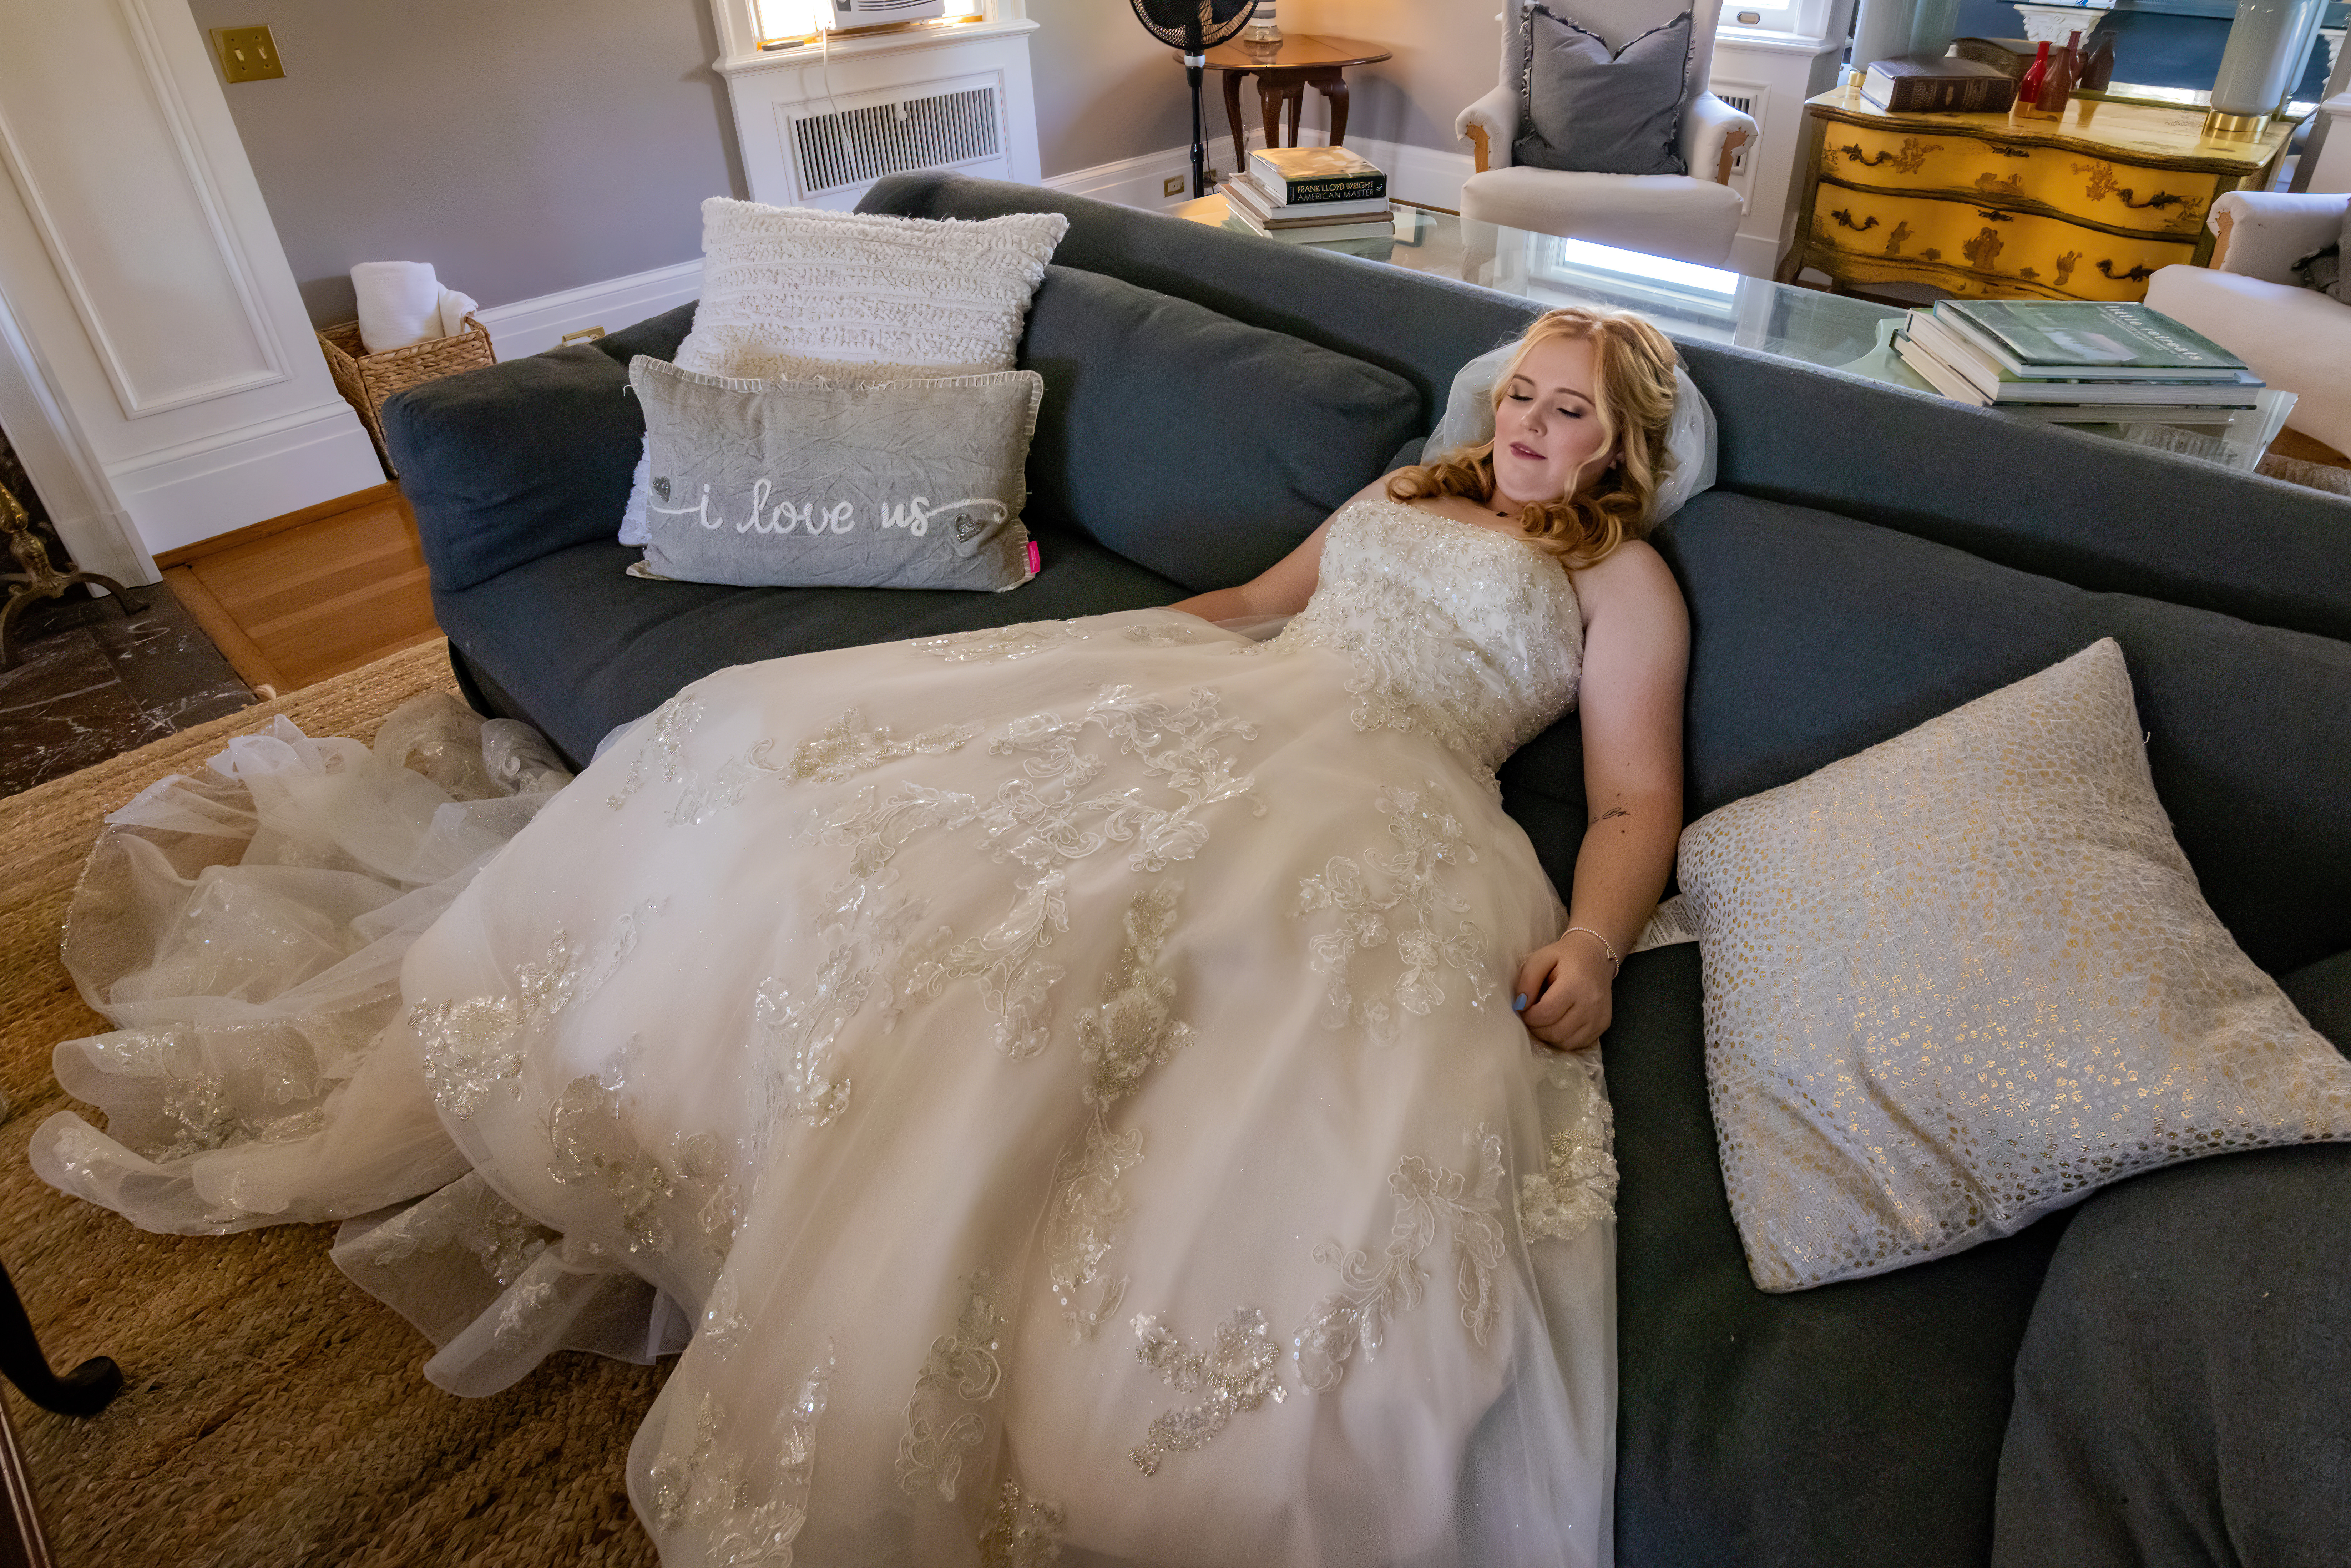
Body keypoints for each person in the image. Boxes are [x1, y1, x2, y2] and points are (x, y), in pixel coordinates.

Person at [34, 306, 1692, 1568]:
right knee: (778, 759)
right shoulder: (1404, 485)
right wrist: (1057, 676)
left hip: (1383, 795)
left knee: (1082, 964)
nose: (1535, 423)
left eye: (1574, 410)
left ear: (1620, 448)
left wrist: (1604, 945)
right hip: (1233, 699)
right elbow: (1259, 609)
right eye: (1525, 393)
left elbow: (1630, 804)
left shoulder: (1622, 584)